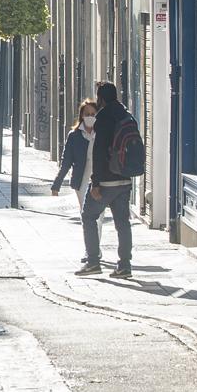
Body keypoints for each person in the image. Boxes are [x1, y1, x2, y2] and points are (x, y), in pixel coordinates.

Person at [75, 81, 134, 279]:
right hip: (125, 179)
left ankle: (93, 262)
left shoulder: (103, 119)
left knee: (88, 216)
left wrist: (96, 183)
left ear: (100, 98)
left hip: (106, 181)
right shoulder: (126, 115)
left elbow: (99, 153)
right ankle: (125, 266)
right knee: (122, 224)